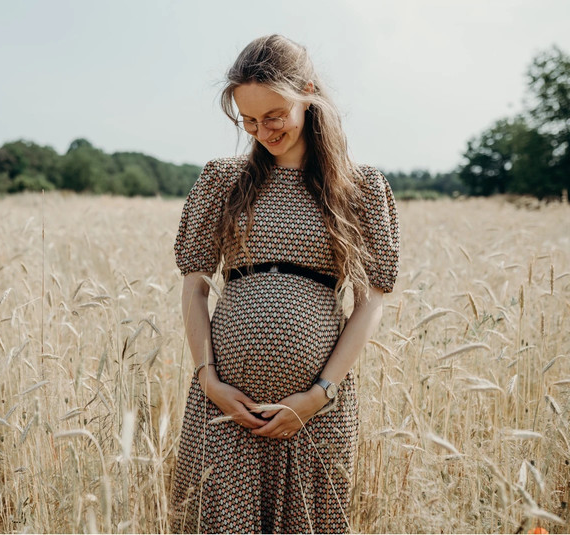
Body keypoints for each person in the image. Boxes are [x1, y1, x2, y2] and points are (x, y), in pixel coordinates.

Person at [169, 34, 400, 534]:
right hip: (224, 408)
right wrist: (208, 378)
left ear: (308, 93)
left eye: (273, 115)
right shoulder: (220, 181)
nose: (262, 130)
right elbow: (195, 287)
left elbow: (371, 301)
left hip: (314, 413)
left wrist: (319, 394)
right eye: (248, 120)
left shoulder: (359, 189)